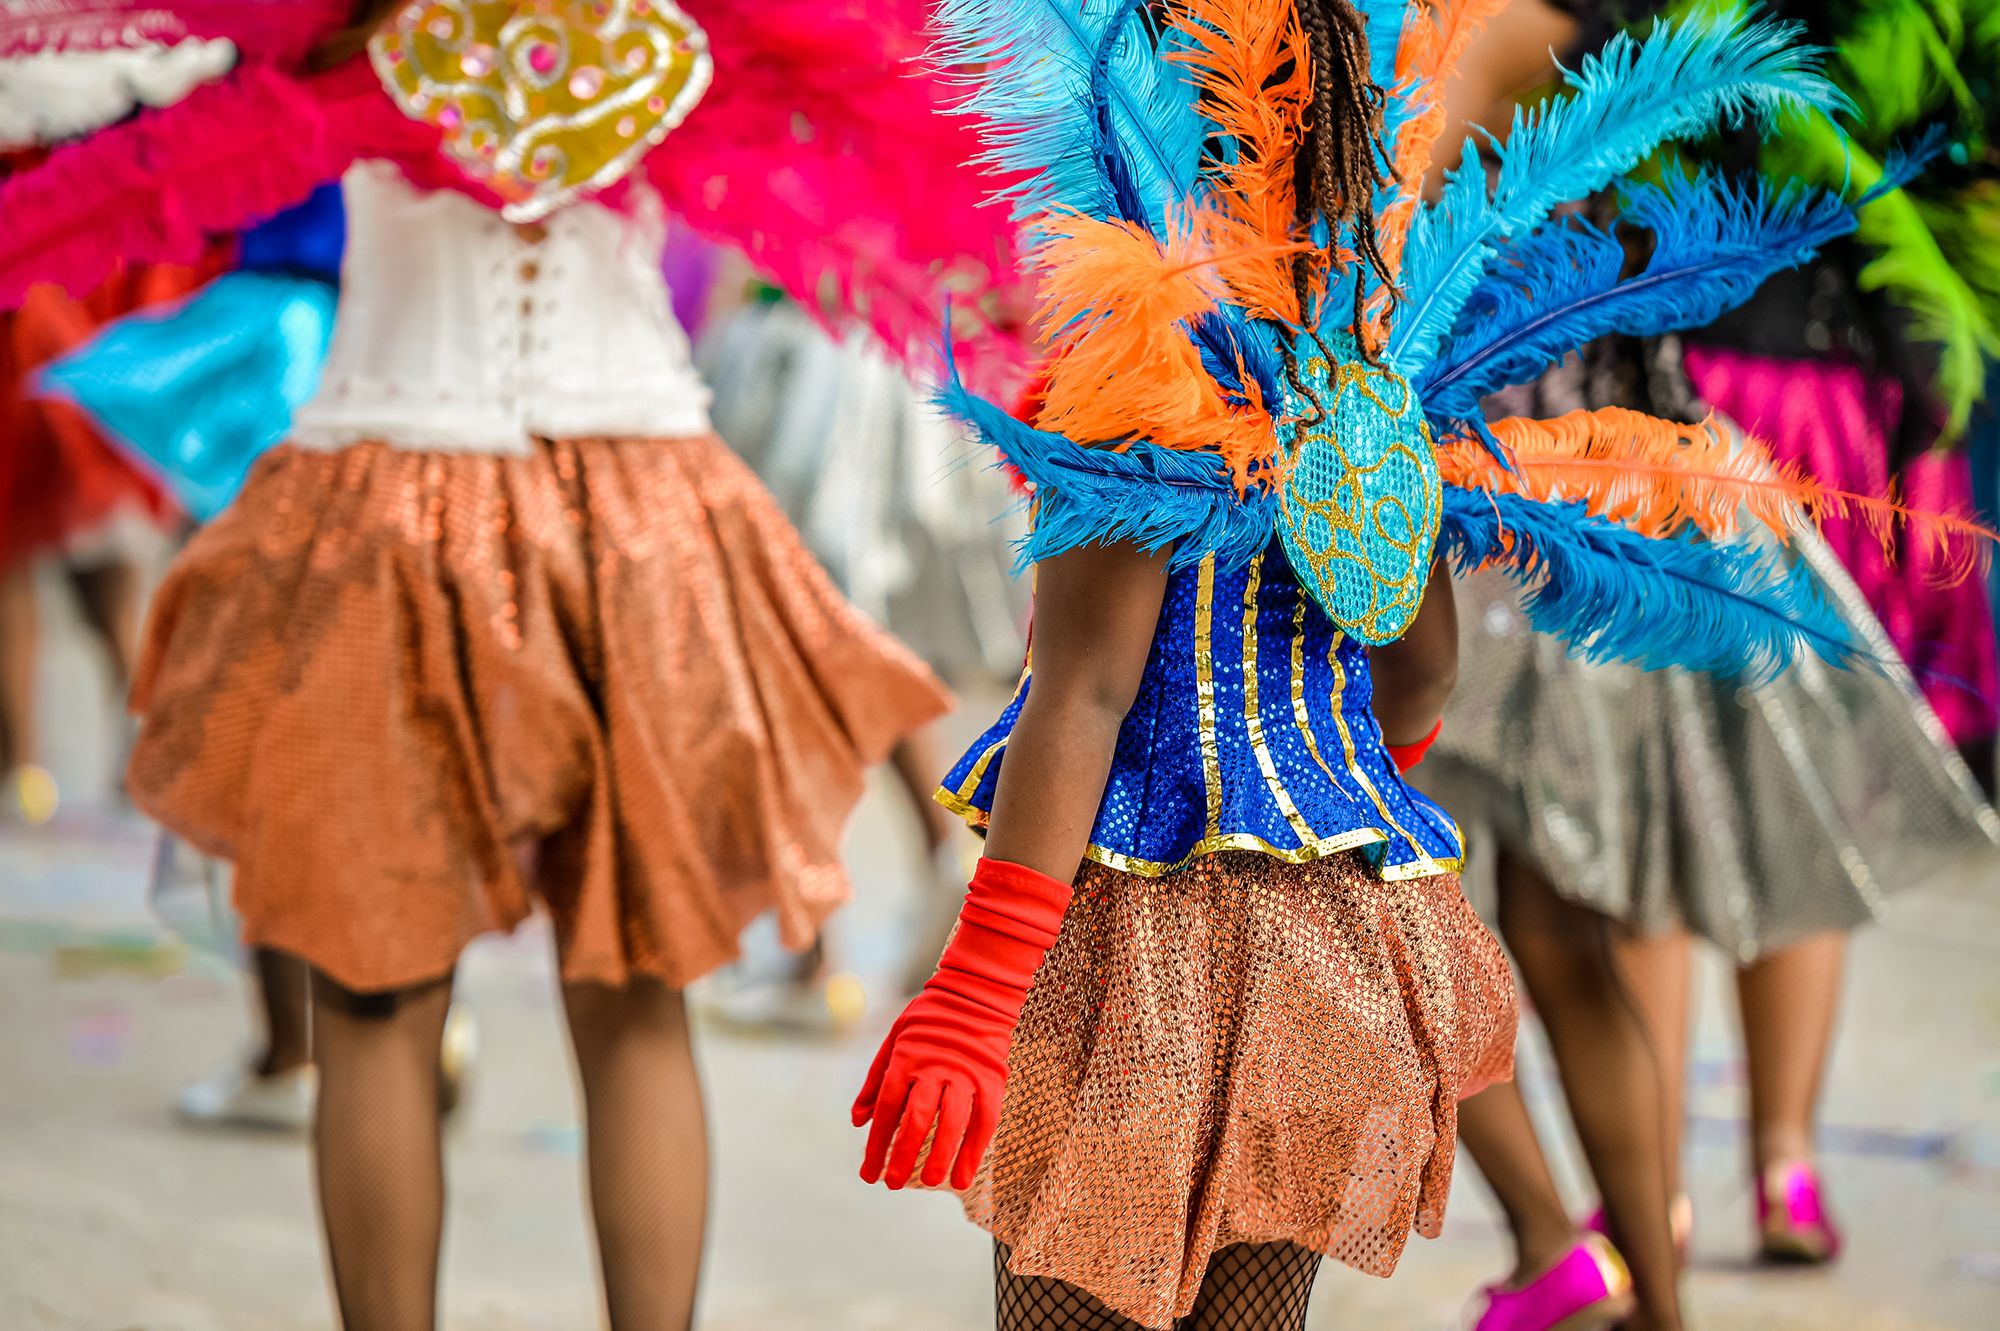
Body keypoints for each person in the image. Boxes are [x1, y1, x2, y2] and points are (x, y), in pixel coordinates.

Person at [849, 2, 1906, 1326]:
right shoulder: (1372, 366)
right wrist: (1349, 810)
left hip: (1131, 936)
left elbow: (1089, 691)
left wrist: (975, 990)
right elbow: (1418, 671)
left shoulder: (1139, 344)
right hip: (1328, 933)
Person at [0, 3, 1023, 1327]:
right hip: (640, 510)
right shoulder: (688, 27)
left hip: (387, 498)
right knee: (636, 995)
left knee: (374, 1002)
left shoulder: (330, 26)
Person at [1409, 4, 2000, 1329]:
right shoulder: (1635, 29)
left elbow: (1376, 273)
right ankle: (1650, 1284)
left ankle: (1561, 1247)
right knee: (1568, 930)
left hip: (1525, 513)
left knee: (1398, 891)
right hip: (1636, 489)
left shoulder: (1493, 33)